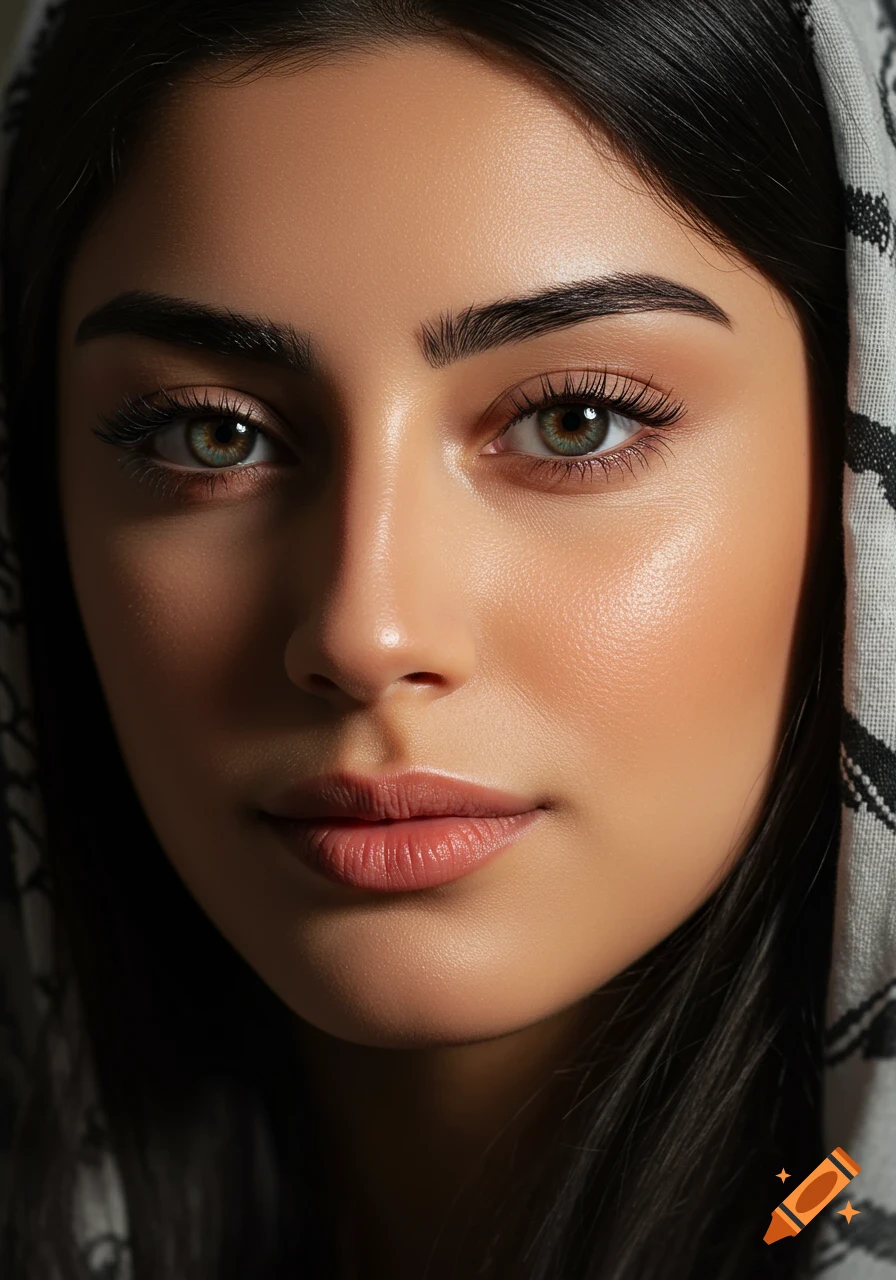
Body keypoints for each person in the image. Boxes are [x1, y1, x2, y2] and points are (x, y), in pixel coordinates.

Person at [0, 0, 893, 1277]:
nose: (364, 633)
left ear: (865, 452)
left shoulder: (829, 1209)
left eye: (573, 419)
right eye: (213, 434)